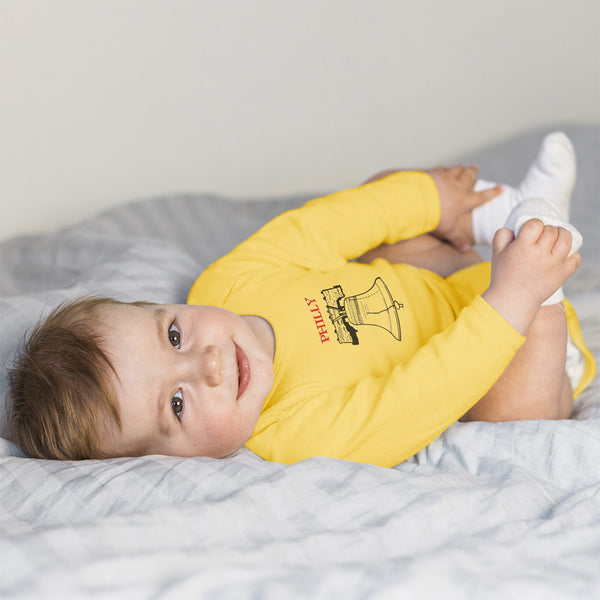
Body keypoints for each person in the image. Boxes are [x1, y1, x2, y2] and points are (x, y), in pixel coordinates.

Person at [6, 132, 596, 466]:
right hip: (503, 355)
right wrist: (512, 298)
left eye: (175, 336)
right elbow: (423, 394)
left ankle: (511, 212)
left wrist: (425, 198)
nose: (208, 364)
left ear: (159, 309)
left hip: (442, 282)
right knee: (511, 419)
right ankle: (543, 259)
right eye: (178, 406)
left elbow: (323, 227)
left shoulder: (226, 284)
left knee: (382, 194)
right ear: (168, 460)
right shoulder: (291, 433)